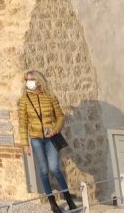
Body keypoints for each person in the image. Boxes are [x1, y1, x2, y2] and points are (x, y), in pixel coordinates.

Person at [18, 70, 77, 212]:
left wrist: (55, 129)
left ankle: (68, 199)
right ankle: (53, 203)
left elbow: (60, 116)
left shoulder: (50, 96)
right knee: (43, 170)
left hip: (51, 137)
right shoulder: (24, 100)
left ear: (39, 80)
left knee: (54, 168)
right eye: (27, 79)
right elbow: (23, 123)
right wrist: (25, 144)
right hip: (36, 139)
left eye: (31, 79)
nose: (29, 82)